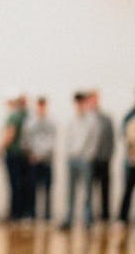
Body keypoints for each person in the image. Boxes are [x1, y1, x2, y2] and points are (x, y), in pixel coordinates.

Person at [61, 92, 98, 230]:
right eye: (77, 102)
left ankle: (87, 219)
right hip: (72, 159)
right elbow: (68, 139)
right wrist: (69, 154)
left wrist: (88, 156)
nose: (79, 105)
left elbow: (94, 140)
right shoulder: (71, 120)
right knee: (70, 191)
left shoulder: (91, 121)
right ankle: (69, 218)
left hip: (85, 160)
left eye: (81, 102)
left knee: (87, 191)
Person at [23, 96, 55, 221]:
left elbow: (52, 141)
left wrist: (41, 155)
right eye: (39, 105)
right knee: (32, 188)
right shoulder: (30, 123)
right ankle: (32, 214)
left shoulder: (51, 123)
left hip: (46, 160)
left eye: (43, 105)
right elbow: (26, 140)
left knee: (47, 189)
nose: (41, 108)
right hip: (33, 160)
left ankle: (47, 215)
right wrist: (32, 154)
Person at [0, 94, 29, 221]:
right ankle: (21, 212)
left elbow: (10, 135)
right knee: (21, 185)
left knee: (14, 184)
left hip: (13, 154)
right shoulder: (27, 116)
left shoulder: (13, 116)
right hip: (23, 156)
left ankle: (14, 213)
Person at [89, 90, 114, 222]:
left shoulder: (106, 119)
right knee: (90, 189)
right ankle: (91, 216)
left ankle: (105, 216)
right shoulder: (87, 118)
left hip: (104, 160)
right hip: (91, 160)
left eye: (95, 99)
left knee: (105, 189)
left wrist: (108, 156)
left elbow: (111, 139)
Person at [119, 91, 135, 224]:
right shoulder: (129, 116)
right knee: (127, 191)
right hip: (131, 160)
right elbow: (124, 136)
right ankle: (122, 218)